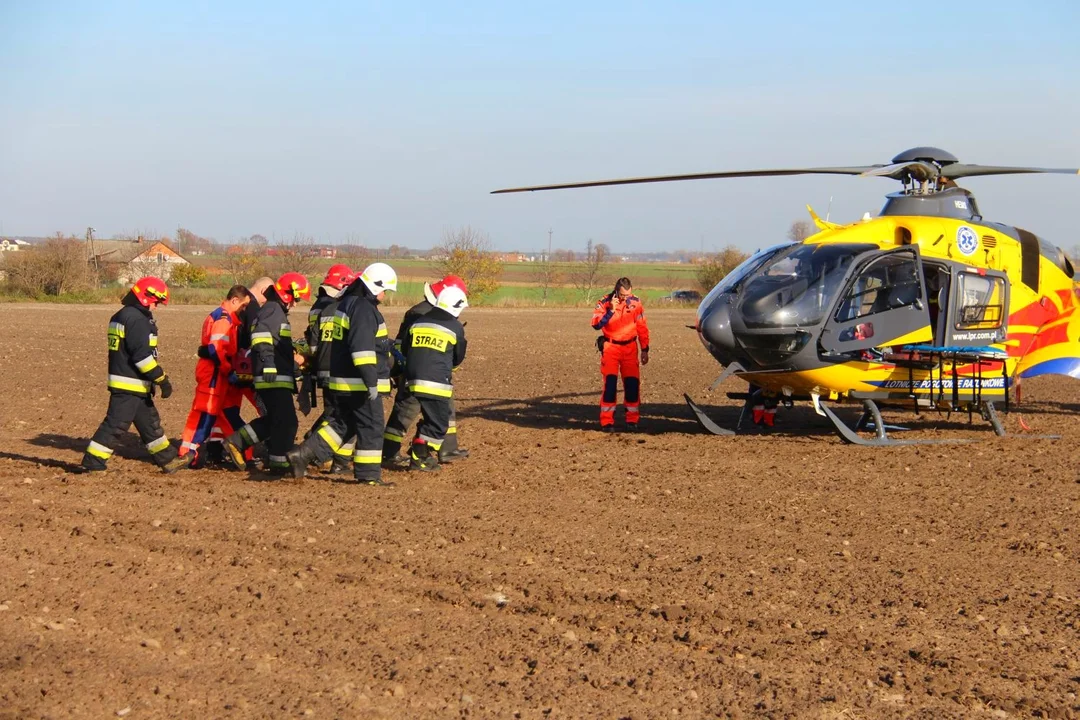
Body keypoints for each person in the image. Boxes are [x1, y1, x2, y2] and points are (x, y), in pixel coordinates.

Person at [286, 262, 398, 485]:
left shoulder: (346, 304)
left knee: (342, 424)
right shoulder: (365, 309)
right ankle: (369, 476)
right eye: (385, 290)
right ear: (376, 287)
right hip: (359, 383)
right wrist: (371, 381)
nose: (386, 295)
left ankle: (303, 455)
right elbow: (363, 349)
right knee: (372, 426)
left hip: (342, 380)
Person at [81, 277, 179, 472]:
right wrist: (161, 379)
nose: (156, 306)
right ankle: (93, 462)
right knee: (115, 425)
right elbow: (142, 357)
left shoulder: (121, 316)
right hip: (130, 384)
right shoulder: (137, 320)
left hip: (130, 382)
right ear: (145, 297)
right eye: (156, 302)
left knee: (150, 425)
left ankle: (168, 459)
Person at [223, 272, 312, 474]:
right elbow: (261, 337)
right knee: (287, 421)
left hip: (273, 375)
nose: (296, 304)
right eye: (296, 299)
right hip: (272, 377)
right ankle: (279, 463)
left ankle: (237, 442)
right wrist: (269, 364)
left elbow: (276, 345)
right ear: (288, 294)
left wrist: (292, 366)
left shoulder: (271, 309)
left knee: (274, 420)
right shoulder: (273, 311)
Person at [382, 274, 470, 469]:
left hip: (428, 371)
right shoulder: (420, 312)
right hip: (417, 372)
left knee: (443, 409)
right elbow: (403, 344)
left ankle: (447, 448)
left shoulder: (429, 312)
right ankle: (390, 452)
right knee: (405, 412)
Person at [162, 285, 251, 472]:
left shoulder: (224, 318)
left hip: (217, 373)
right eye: (243, 306)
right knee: (205, 414)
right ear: (234, 300)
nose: (244, 310)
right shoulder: (223, 319)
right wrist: (228, 371)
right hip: (214, 374)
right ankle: (189, 454)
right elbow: (216, 349)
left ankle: (243, 452)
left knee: (227, 414)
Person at [302, 264, 355, 473]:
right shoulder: (337, 308)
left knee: (332, 414)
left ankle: (318, 449)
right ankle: (313, 450)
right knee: (336, 417)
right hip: (336, 367)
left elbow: (313, 343)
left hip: (320, 365)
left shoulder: (317, 305)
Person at [591, 277, 650, 431]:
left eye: (628, 295)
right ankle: (607, 422)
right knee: (610, 385)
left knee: (632, 386)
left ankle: (632, 421)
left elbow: (642, 326)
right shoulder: (604, 302)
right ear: (616, 291)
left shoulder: (635, 303)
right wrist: (610, 311)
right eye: (623, 295)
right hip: (611, 347)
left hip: (630, 348)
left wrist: (645, 349)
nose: (626, 298)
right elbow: (596, 324)